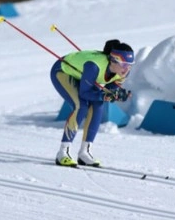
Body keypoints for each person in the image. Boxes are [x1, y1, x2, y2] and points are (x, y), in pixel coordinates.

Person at [50, 39, 134, 167]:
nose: (127, 69)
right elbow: (85, 93)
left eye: (130, 64)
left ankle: (85, 152)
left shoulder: (123, 73)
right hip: (63, 71)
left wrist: (116, 95)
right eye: (123, 64)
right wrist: (106, 95)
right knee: (81, 106)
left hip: (81, 75)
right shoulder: (93, 66)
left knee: (98, 105)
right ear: (113, 60)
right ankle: (63, 152)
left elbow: (108, 93)